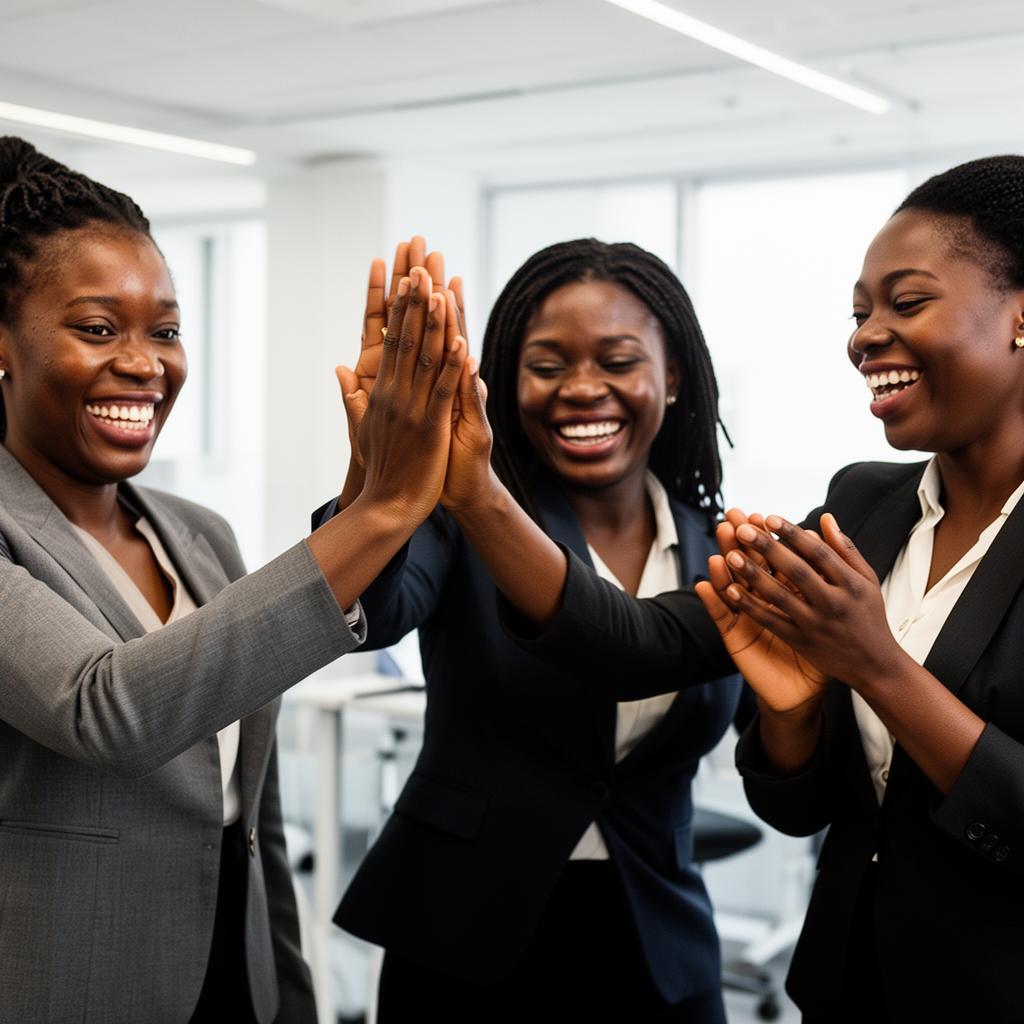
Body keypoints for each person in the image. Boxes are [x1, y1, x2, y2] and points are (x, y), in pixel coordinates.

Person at [494, 158, 1024, 1022]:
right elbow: (647, 646)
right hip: (846, 989)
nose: (864, 336)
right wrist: (788, 719)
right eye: (860, 314)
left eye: (907, 302)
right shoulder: (862, 507)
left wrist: (880, 668)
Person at [0, 138, 468, 1024]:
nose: (145, 363)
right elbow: (111, 709)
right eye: (98, 329)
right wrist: (383, 509)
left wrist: (290, 997)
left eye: (166, 330)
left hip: (232, 978)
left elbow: (255, 822)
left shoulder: (198, 536)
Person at [327, 238, 745, 1022]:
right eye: (548, 366)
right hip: (463, 936)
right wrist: (380, 487)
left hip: (657, 941)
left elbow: (779, 741)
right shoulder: (461, 521)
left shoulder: (722, 552)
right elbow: (371, 612)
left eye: (618, 361)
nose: (583, 389)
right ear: (505, 384)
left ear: (675, 375)